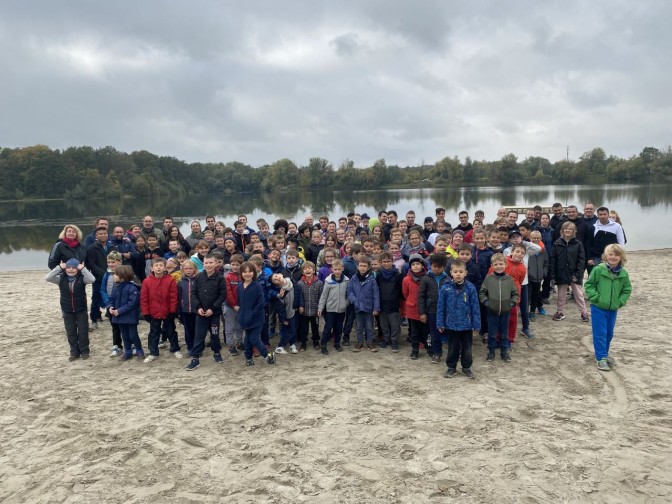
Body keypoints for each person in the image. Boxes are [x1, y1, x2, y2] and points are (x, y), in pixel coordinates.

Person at [584, 244, 632, 371]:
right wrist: (596, 298)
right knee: (600, 333)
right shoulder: (598, 269)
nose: (613, 257)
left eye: (616, 255)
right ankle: (600, 358)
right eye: (610, 254)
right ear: (605, 256)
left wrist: (620, 301)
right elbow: (589, 285)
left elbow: (627, 289)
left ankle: (604, 354)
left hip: (613, 308)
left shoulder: (623, 273)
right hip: (598, 307)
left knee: (609, 333)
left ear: (621, 257)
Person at [437, 260, 481, 379]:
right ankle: (451, 367)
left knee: (467, 347)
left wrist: (476, 325)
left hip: (466, 325)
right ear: (451, 272)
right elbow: (441, 307)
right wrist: (440, 323)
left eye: (460, 271)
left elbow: (475, 307)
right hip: (451, 324)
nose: (458, 274)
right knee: (452, 347)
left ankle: (466, 367)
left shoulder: (471, 288)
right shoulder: (445, 288)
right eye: (455, 271)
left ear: (465, 273)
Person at [46, 258, 95, 361]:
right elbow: (48, 277)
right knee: (71, 332)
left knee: (83, 332)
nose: (71, 270)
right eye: (68, 267)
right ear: (65, 269)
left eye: (74, 268)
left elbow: (92, 279)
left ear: (77, 268)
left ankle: (84, 351)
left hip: (81, 309)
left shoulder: (82, 278)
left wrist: (83, 269)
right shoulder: (60, 278)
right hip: (67, 309)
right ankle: (74, 352)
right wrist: (59, 267)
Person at [186, 254, 226, 370]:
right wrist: (198, 307)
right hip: (201, 313)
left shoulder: (220, 278)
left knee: (214, 334)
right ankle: (195, 358)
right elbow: (193, 293)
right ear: (203, 264)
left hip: (214, 313)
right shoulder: (198, 277)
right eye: (206, 263)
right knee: (199, 335)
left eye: (211, 263)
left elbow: (222, 295)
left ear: (216, 264)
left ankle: (217, 353)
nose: (208, 265)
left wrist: (212, 308)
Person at [479, 253, 519, 362]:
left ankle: (504, 352)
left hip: (506, 311)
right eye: (495, 264)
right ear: (492, 266)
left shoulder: (509, 279)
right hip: (492, 311)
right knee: (492, 333)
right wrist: (487, 303)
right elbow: (482, 293)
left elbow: (515, 294)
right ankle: (491, 352)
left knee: (504, 333)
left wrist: (512, 303)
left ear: (505, 265)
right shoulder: (488, 279)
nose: (498, 266)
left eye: (501, 264)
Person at [237, 261, 276, 366]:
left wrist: (252, 314)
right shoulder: (240, 286)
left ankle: (267, 355)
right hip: (244, 318)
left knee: (254, 338)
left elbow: (260, 303)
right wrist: (241, 314)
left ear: (253, 273)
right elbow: (240, 303)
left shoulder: (257, 285)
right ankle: (248, 358)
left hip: (257, 318)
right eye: (245, 272)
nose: (247, 274)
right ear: (241, 273)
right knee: (247, 339)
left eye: (250, 271)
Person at [140, 258, 179, 363]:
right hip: (154, 312)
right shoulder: (147, 281)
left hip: (167, 312)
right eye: (156, 266)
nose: (158, 268)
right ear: (152, 268)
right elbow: (144, 298)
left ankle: (175, 348)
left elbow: (173, 297)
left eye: (161, 265)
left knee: (171, 330)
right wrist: (145, 313)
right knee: (154, 332)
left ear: (165, 267)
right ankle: (153, 352)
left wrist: (172, 311)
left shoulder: (170, 280)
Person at [549, 221, 589, 322]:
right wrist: (553, 276)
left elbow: (581, 260)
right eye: (566, 229)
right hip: (561, 273)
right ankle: (560, 312)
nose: (568, 231)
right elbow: (553, 260)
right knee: (561, 295)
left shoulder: (578, 244)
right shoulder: (557, 243)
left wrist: (578, 274)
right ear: (562, 231)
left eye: (570, 229)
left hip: (574, 274)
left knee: (578, 295)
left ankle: (584, 313)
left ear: (574, 231)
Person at [107, 265, 144, 361]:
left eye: (115, 274)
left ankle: (139, 350)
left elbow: (132, 303)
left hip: (130, 316)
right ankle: (127, 351)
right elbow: (111, 299)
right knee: (124, 335)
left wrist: (119, 311)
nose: (113, 276)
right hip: (119, 317)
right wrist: (110, 307)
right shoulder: (116, 288)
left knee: (133, 335)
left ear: (122, 276)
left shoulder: (132, 288)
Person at [418, 253, 450, 363]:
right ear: (430, 265)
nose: (436, 269)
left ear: (443, 267)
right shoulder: (425, 279)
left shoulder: (448, 279)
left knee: (449, 333)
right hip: (431, 311)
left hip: (446, 311)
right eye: (434, 266)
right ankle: (437, 353)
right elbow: (421, 296)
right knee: (434, 333)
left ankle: (453, 353)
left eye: (439, 267)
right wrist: (422, 312)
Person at [347, 256, 380, 352]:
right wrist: (355, 301)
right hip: (358, 307)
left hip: (369, 307)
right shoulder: (353, 278)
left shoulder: (372, 279)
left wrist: (376, 308)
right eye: (361, 266)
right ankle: (359, 342)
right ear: (357, 266)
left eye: (365, 266)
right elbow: (349, 292)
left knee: (370, 326)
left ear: (369, 267)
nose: (362, 268)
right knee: (359, 326)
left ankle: (370, 342)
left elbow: (376, 294)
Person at [317, 259, 349, 355]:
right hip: (330, 309)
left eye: (339, 269)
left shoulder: (346, 280)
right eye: (335, 269)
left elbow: (349, 294)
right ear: (332, 269)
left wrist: (346, 303)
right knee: (328, 327)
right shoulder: (328, 281)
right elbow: (324, 295)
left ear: (342, 269)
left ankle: (337, 344)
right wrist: (320, 307)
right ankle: (323, 345)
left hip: (342, 309)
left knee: (339, 328)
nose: (337, 271)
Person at [403, 254, 430, 360]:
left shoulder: (427, 278)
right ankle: (415, 350)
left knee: (426, 331)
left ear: (422, 265)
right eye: (413, 264)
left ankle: (429, 348)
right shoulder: (406, 280)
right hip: (412, 309)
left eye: (418, 264)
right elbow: (405, 293)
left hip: (425, 309)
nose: (415, 266)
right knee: (414, 332)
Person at [376, 251, 404, 352]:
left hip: (394, 304)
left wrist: (398, 300)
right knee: (384, 324)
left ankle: (395, 341)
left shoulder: (397, 275)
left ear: (392, 261)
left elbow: (401, 290)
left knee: (395, 324)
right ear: (380, 262)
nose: (386, 263)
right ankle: (386, 339)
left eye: (388, 261)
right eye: (384, 261)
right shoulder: (378, 275)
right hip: (382, 303)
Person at [85, 226, 111, 329]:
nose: (103, 235)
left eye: (105, 233)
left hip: (111, 277)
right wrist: (104, 273)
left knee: (112, 296)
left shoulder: (111, 246)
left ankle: (111, 315)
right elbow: (91, 264)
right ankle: (94, 320)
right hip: (98, 278)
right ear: (96, 235)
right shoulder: (92, 248)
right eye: (101, 234)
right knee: (96, 298)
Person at [296, 261, 323, 351]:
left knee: (315, 327)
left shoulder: (319, 283)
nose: (307, 270)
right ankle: (303, 342)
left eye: (309, 268)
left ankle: (316, 341)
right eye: (305, 268)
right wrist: (300, 306)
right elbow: (299, 296)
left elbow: (321, 296)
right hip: (304, 310)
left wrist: (319, 308)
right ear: (303, 272)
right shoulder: (299, 283)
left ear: (314, 270)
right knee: (304, 328)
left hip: (315, 310)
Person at [100, 251, 123, 357]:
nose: (110, 264)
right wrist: (108, 303)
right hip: (111, 306)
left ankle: (131, 345)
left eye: (113, 262)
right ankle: (117, 346)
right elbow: (103, 289)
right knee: (114, 327)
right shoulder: (106, 274)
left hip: (122, 305)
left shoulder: (124, 273)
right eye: (108, 262)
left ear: (119, 262)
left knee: (125, 326)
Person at [271, 273, 299, 355]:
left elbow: (298, 294)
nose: (277, 279)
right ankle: (280, 346)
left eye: (276, 276)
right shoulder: (279, 291)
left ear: (281, 274)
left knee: (294, 328)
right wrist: (283, 319)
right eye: (275, 280)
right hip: (287, 314)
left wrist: (300, 305)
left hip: (294, 310)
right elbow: (280, 307)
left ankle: (292, 344)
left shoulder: (293, 283)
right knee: (289, 330)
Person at [177, 259, 198, 357]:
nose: (188, 270)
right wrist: (179, 311)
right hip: (185, 310)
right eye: (186, 269)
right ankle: (190, 347)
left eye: (190, 268)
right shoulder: (181, 283)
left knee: (197, 330)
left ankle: (197, 348)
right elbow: (179, 297)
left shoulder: (198, 280)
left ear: (194, 269)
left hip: (196, 310)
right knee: (188, 330)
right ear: (183, 270)